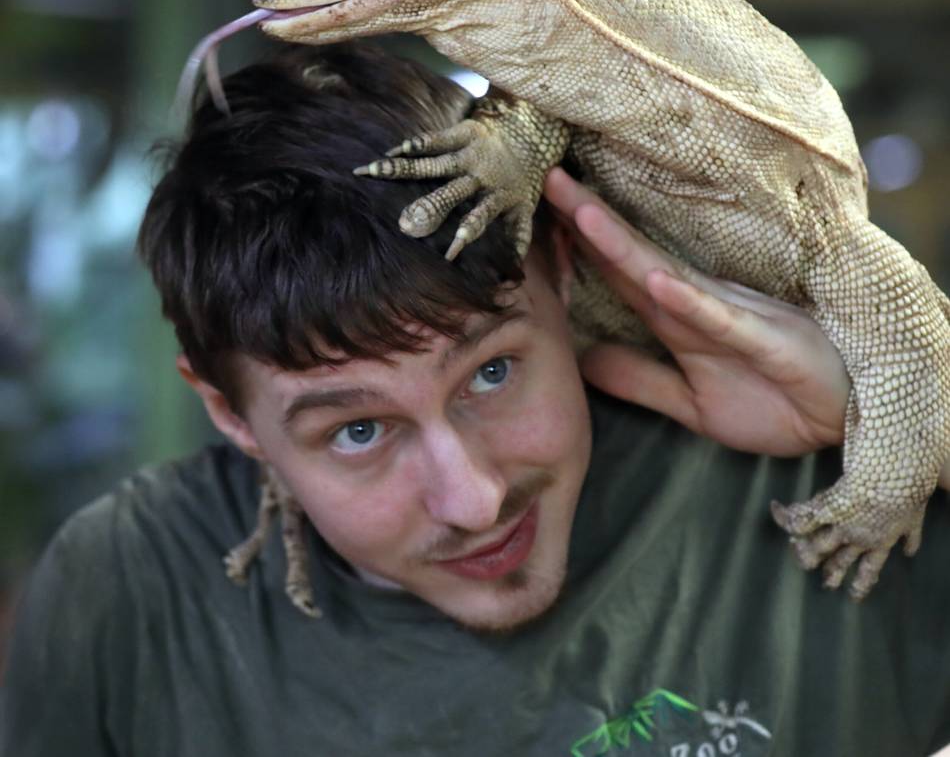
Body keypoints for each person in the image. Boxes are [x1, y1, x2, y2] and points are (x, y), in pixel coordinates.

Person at [1, 43, 947, 757]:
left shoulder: (844, 479)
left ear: (564, 274)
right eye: (359, 431)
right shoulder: (134, 588)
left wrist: (902, 406)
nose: (476, 499)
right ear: (232, 418)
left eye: (491, 373)